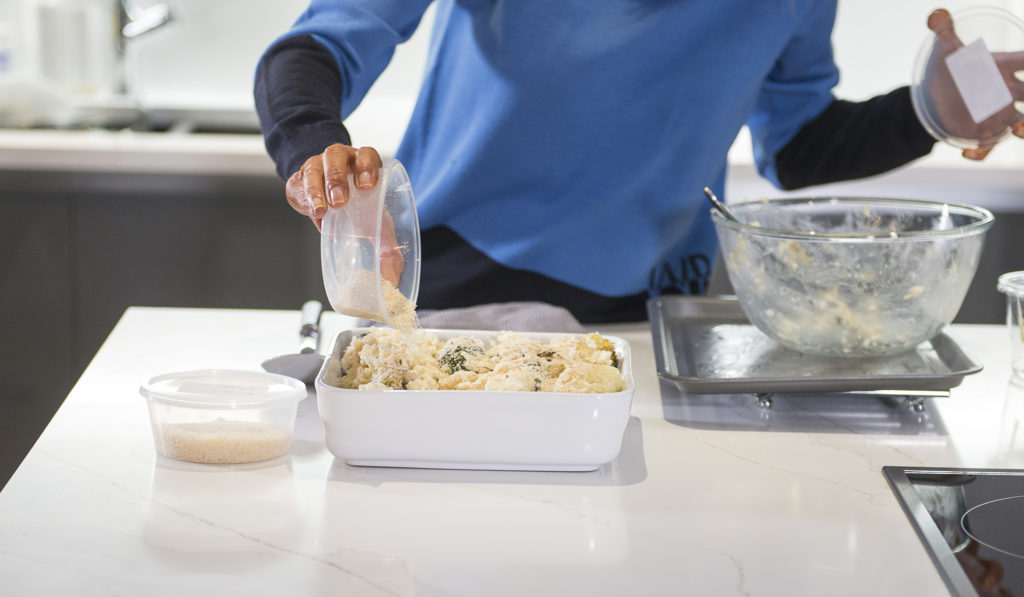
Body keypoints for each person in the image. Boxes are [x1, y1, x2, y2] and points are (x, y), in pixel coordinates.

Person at [254, 2, 1023, 323]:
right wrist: (312, 144)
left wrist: (924, 114)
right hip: (457, 298)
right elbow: (315, 47)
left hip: (653, 321)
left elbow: (796, 146)